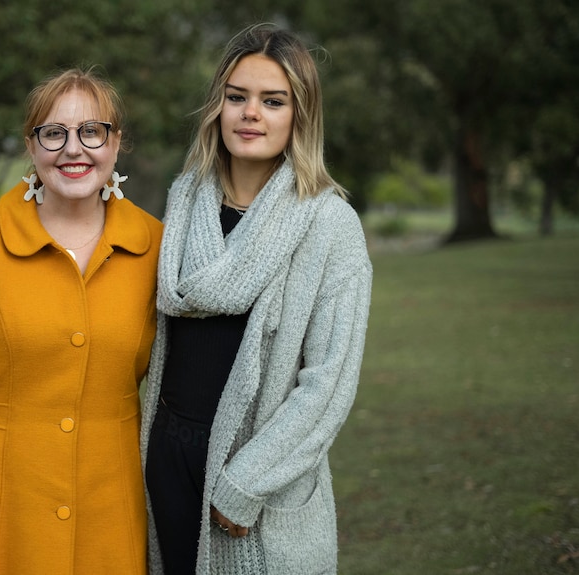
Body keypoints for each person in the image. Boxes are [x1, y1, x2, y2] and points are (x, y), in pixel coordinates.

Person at [0, 67, 162, 575]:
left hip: (112, 523)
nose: (73, 149)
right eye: (53, 133)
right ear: (31, 145)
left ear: (116, 142)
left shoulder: (157, 247)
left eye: (91, 131)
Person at [141, 23, 373, 574]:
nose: (251, 114)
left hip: (251, 475)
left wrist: (249, 480)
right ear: (217, 106)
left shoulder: (328, 224)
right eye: (236, 97)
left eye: (273, 101)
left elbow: (328, 382)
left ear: (300, 115)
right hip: (167, 454)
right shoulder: (185, 198)